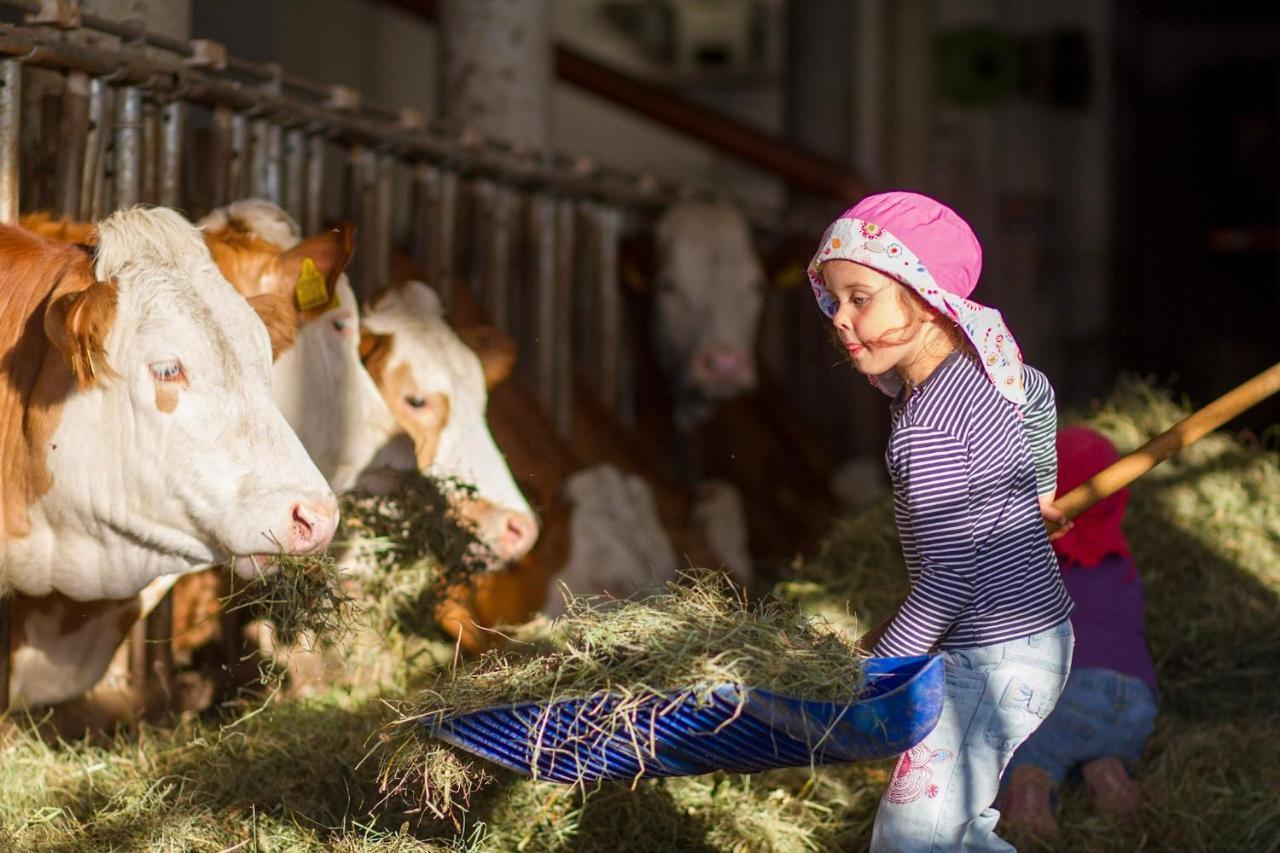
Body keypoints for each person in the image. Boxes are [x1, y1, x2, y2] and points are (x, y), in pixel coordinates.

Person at [806, 191, 1075, 851]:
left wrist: (877, 674)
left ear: (924, 299)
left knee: (912, 837)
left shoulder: (927, 427)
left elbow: (949, 575)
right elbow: (1037, 393)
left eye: (860, 297)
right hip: (1027, 637)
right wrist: (1041, 485)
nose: (842, 318)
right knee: (952, 830)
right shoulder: (985, 369)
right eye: (834, 301)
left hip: (995, 652)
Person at [998, 425, 1158, 836]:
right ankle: (1108, 774)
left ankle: (1030, 792)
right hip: (1136, 702)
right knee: (1100, 746)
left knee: (1018, 748)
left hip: (1072, 694)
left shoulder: (1031, 564)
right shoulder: (1122, 564)